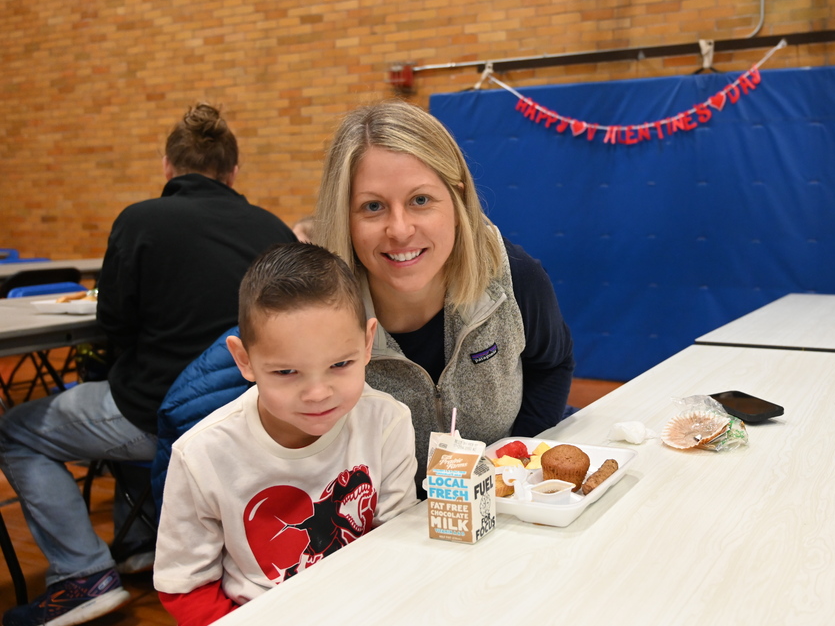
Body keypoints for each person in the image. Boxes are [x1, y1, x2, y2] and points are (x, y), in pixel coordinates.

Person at [0, 103, 295, 626]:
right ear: (233, 170)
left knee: (16, 431)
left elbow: (115, 324)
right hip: (252, 415)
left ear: (167, 166)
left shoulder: (140, 220)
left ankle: (82, 574)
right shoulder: (270, 228)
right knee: (121, 395)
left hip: (161, 414)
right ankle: (142, 541)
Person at [314, 99, 575, 492]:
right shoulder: (315, 315)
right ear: (344, 217)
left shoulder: (514, 278)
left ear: (456, 198)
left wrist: (514, 464)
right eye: (373, 206)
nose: (399, 230)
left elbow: (553, 364)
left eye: (420, 200)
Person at [154, 242, 417, 626]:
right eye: (286, 372)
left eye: (339, 364)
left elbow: (395, 544)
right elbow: (184, 585)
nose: (317, 393)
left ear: (366, 343)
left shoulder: (386, 421)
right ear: (244, 359)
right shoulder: (201, 455)